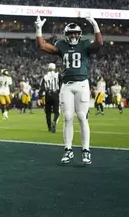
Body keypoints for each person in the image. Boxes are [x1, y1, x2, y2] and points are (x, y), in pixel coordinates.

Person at [35, 15, 103, 166]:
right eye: (71, 33)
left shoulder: (85, 43)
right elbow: (43, 46)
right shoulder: (61, 45)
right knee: (67, 117)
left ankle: (86, 150)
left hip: (81, 84)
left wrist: (95, 26)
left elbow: (99, 43)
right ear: (66, 35)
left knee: (82, 117)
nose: (73, 35)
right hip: (66, 85)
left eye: (76, 33)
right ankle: (68, 149)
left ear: (79, 34)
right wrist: (38, 29)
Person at [41, 63, 61, 132]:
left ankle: (49, 128)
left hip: (48, 95)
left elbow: (42, 87)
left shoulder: (45, 76)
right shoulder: (58, 75)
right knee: (57, 112)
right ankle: (54, 122)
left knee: (48, 113)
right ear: (54, 68)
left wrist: (40, 97)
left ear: (48, 68)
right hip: (55, 94)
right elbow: (61, 85)